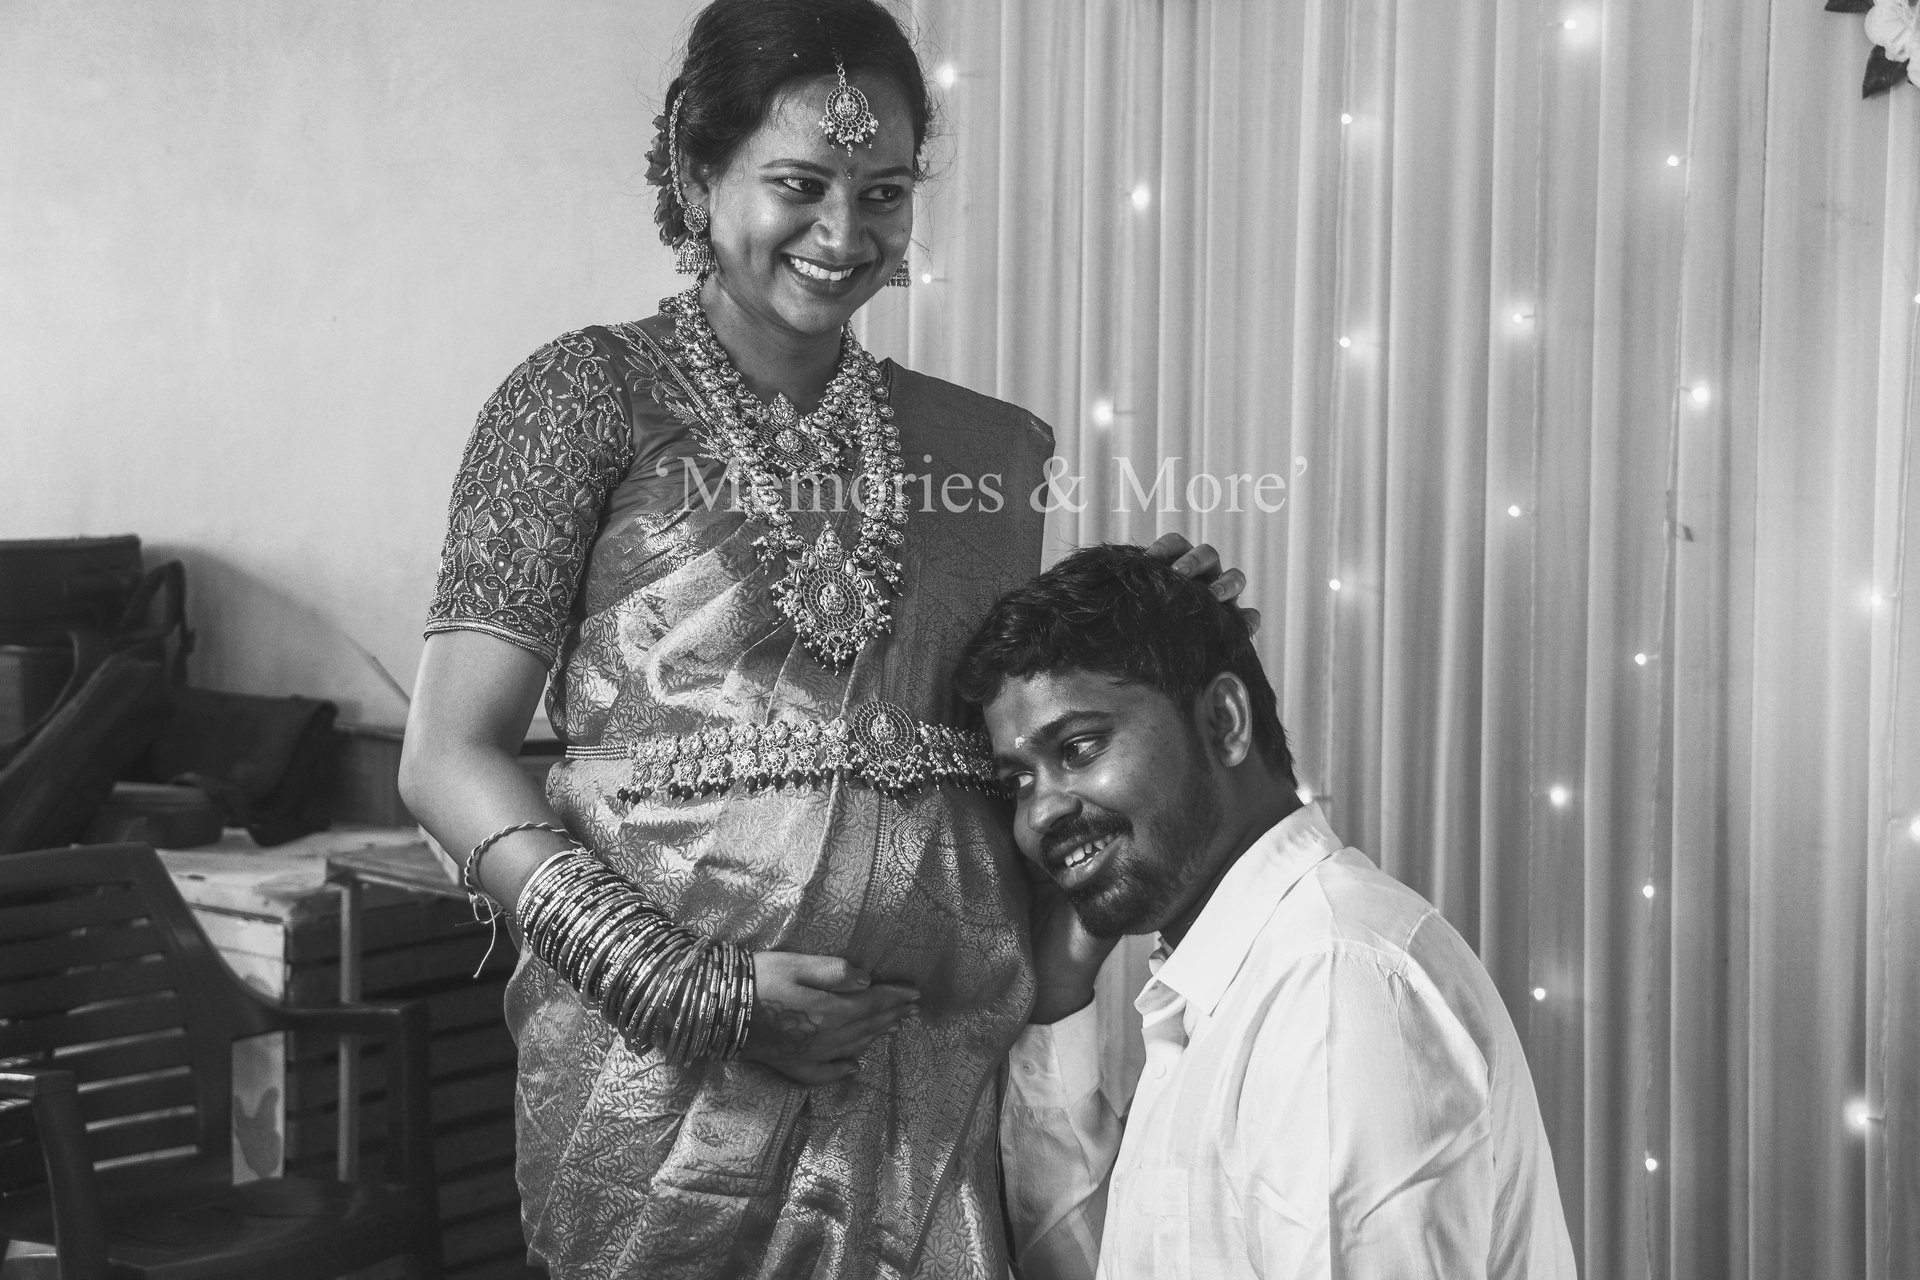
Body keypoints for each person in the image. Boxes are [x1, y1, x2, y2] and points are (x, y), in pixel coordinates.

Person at [398, 3, 1240, 1276]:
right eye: (799, 184)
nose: (844, 235)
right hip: (660, 1078)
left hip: (924, 1065)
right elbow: (444, 757)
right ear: (696, 173)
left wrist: (1152, 641)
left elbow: (998, 759)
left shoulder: (983, 450)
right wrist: (693, 991)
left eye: (884, 192)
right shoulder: (578, 399)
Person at [955, 545, 1578, 1280]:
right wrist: (1057, 994)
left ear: (1222, 721)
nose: (1040, 815)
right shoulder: (1237, 977)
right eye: (1018, 780)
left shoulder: (1332, 986)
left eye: (1080, 747)